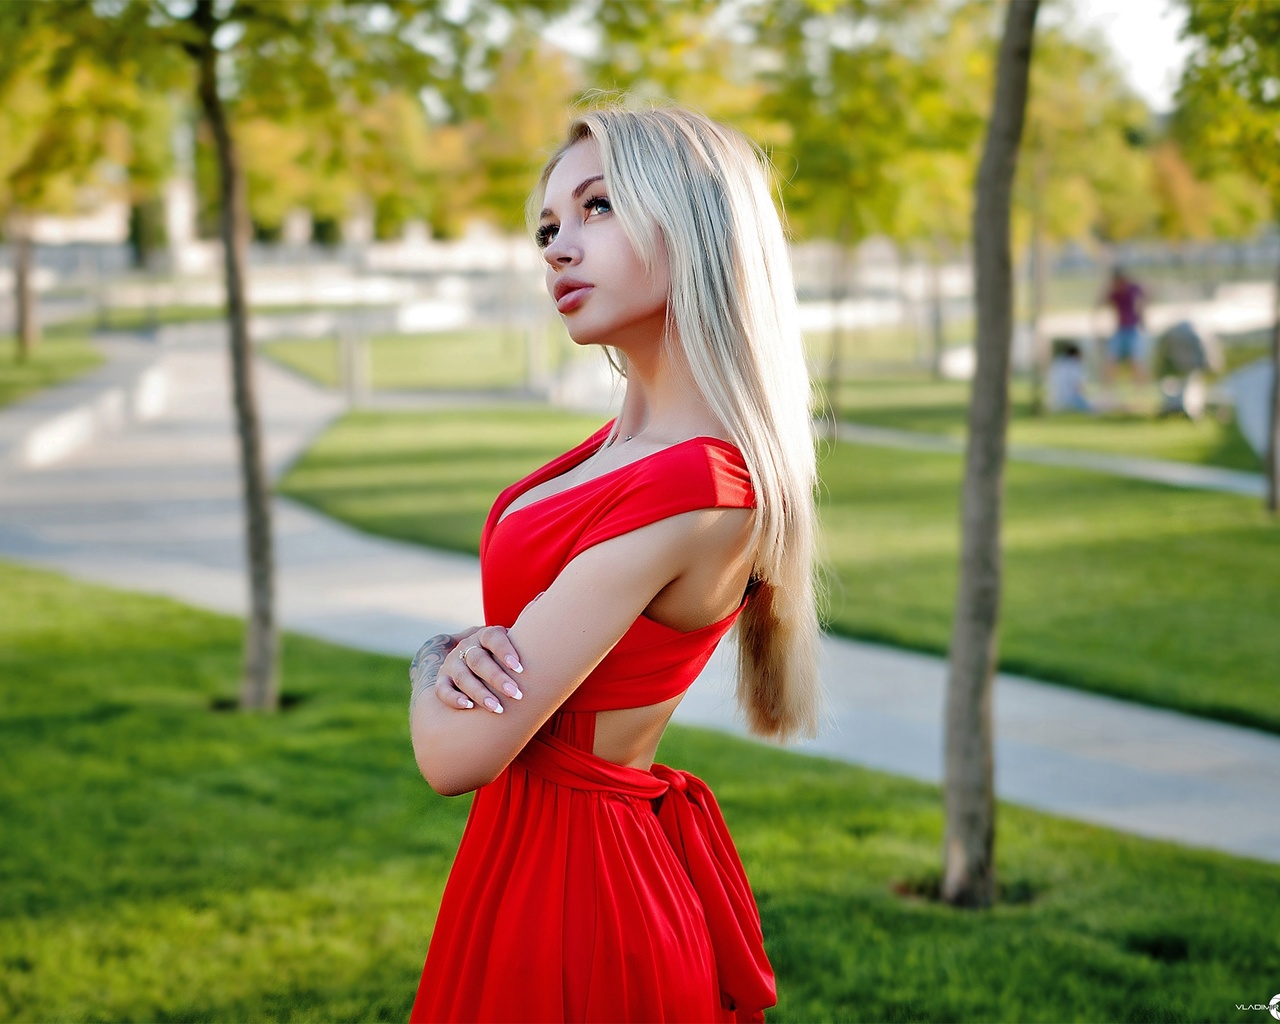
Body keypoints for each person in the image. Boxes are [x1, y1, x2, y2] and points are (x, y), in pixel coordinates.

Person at [405, 105, 822, 1023]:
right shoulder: (617, 451)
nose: (556, 247)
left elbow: (458, 751)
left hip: (579, 900)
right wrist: (457, 658)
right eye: (547, 226)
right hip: (528, 863)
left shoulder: (700, 486)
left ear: (700, 224)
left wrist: (436, 661)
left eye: (597, 208)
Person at [1097, 267, 1149, 385]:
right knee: (1111, 358)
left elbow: (1145, 298)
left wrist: (1143, 316)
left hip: (1133, 329)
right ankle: (1107, 387)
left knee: (1136, 359)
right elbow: (1102, 302)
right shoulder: (1114, 292)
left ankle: (1140, 386)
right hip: (1120, 329)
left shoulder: (1133, 289)